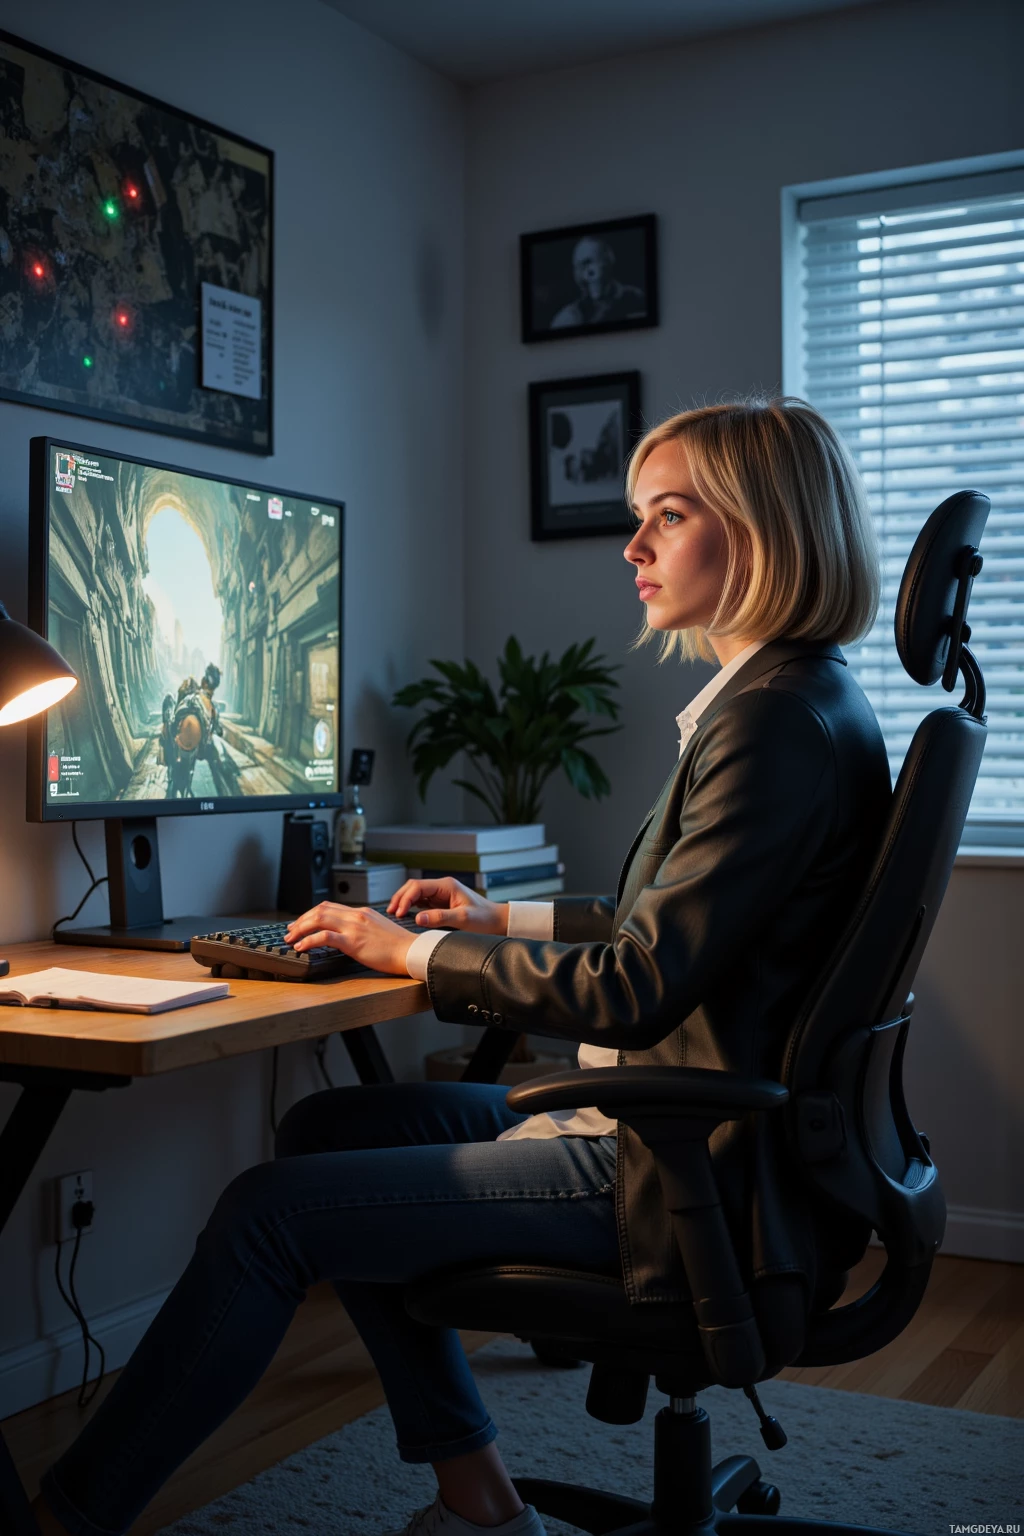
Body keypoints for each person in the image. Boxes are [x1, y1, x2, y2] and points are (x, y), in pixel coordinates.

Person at [33, 398, 890, 1536]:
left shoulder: (771, 724)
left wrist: (418, 951)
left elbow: (639, 987)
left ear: (768, 529)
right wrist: (500, 914)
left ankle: (69, 1517)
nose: (631, 548)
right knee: (328, 1134)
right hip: (695, 1133)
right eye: (638, 518)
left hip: (664, 1164)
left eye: (668, 517)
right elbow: (677, 923)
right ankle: (479, 1500)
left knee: (265, 1214)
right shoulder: (798, 700)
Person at [549, 235, 645, 329]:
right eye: (578, 267)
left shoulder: (636, 298)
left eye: (588, 263)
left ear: (609, 261)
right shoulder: (568, 318)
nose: (583, 275)